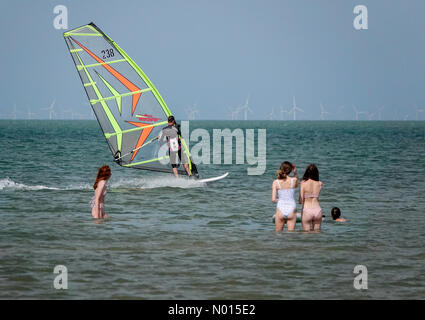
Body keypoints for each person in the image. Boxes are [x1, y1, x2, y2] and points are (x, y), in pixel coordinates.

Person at [272, 161, 299, 231]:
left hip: (280, 208)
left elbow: (273, 199)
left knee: (278, 234)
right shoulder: (294, 180)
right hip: (292, 208)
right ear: (290, 170)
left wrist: (281, 199)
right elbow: (297, 185)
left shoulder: (276, 182)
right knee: (291, 235)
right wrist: (295, 172)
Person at [299, 164, 323, 231]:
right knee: (317, 235)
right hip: (317, 210)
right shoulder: (320, 183)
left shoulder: (303, 183)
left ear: (307, 172)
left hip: (307, 210)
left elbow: (300, 201)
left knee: (306, 236)